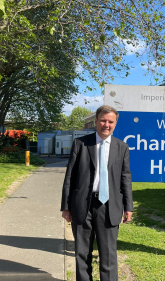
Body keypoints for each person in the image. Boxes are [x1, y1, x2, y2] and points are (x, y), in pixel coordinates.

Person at [61, 105, 133, 281]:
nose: (106, 124)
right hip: (82, 206)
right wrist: (66, 206)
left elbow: (126, 178)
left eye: (110, 121)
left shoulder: (121, 147)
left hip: (109, 207)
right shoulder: (81, 143)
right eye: (102, 120)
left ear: (115, 124)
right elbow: (70, 175)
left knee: (108, 256)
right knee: (82, 254)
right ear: (96, 121)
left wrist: (128, 206)